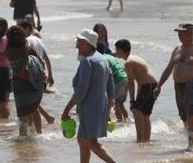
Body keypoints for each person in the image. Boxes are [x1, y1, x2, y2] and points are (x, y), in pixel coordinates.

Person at [155, 23, 193, 151]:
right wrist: (159, 85)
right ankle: (191, 139)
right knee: (184, 117)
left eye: (181, 33)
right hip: (179, 85)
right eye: (178, 33)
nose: (179, 35)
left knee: (191, 115)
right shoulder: (177, 49)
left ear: (190, 33)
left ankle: (192, 145)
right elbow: (168, 68)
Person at [61, 29, 116, 163]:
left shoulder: (88, 61)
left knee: (92, 143)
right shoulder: (103, 59)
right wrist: (107, 110)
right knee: (83, 141)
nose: (76, 46)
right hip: (99, 107)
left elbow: (81, 90)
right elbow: (111, 90)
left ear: (87, 43)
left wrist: (66, 110)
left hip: (89, 108)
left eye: (79, 42)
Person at [114, 39, 158, 143]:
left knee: (136, 110)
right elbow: (139, 80)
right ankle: (146, 140)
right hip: (151, 86)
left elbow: (131, 82)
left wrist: (132, 100)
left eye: (116, 49)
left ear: (121, 50)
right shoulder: (133, 58)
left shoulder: (129, 62)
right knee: (144, 114)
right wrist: (137, 97)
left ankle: (139, 140)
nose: (115, 52)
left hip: (149, 86)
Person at [7, 26, 47, 135]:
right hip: (32, 83)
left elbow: (16, 68)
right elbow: (41, 62)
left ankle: (23, 137)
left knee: (22, 114)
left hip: (19, 84)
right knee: (34, 109)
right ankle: (38, 133)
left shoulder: (9, 50)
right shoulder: (28, 47)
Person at [103, 52, 129, 122]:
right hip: (125, 77)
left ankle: (120, 121)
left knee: (116, 104)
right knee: (120, 103)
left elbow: (107, 74)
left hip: (119, 80)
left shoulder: (103, 59)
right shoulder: (110, 56)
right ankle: (127, 120)